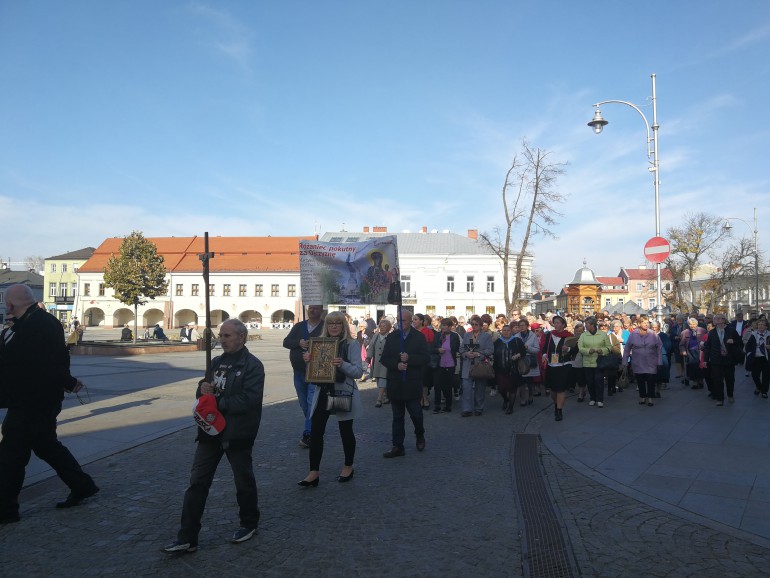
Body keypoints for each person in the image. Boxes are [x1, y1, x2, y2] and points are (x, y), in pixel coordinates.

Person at [0, 284, 99, 524]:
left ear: (11, 304)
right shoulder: (29, 322)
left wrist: (69, 382)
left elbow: (47, 362)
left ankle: (6, 510)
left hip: (33, 400)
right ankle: (82, 485)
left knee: (11, 454)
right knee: (45, 445)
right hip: (33, 398)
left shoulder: (38, 324)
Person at [163, 319, 264, 553]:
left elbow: (250, 400)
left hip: (238, 433)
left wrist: (217, 401)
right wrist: (202, 389)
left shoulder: (252, 365)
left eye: (227, 335)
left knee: (243, 481)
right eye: (221, 335)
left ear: (241, 337)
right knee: (197, 482)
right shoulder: (216, 361)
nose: (222, 339)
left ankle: (249, 523)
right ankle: (188, 537)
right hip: (210, 432)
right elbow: (204, 389)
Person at [297, 311, 363, 487]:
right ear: (326, 325)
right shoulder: (318, 344)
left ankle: (348, 466)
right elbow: (316, 370)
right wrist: (309, 360)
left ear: (343, 326)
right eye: (330, 323)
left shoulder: (351, 344)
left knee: (345, 431)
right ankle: (313, 472)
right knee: (316, 432)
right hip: (323, 391)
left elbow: (358, 372)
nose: (334, 326)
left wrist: (342, 364)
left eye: (338, 323)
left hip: (342, 392)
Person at [380, 309, 429, 457]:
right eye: (399, 320)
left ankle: (419, 434)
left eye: (405, 321)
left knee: (416, 414)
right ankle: (397, 445)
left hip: (412, 382)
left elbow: (425, 358)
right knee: (397, 417)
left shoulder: (419, 337)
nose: (401, 324)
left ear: (410, 321)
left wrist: (410, 358)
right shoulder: (392, 337)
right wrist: (397, 364)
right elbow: (384, 358)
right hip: (396, 383)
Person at [282, 304, 324, 448]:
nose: (312, 310)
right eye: (310, 308)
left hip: (315, 372)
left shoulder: (324, 327)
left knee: (312, 402)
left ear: (321, 310)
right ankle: (313, 425)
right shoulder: (299, 326)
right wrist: (298, 343)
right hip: (299, 371)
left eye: (316, 308)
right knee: (304, 403)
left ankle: (309, 433)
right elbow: (286, 342)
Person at [459, 315, 495, 417]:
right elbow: (461, 349)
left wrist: (478, 354)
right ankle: (467, 409)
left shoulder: (486, 336)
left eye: (476, 324)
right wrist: (466, 354)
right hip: (467, 365)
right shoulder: (466, 335)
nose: (474, 326)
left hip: (480, 365)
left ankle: (479, 408)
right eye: (472, 324)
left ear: (480, 325)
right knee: (466, 388)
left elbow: (490, 350)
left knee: (480, 388)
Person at [703, 314, 741, 406]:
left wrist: (734, 342)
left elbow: (740, 343)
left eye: (718, 318)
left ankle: (730, 394)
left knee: (730, 379)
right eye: (715, 318)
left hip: (729, 359)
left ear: (724, 320)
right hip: (716, 360)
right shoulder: (712, 333)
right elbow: (708, 347)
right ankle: (720, 398)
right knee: (717, 379)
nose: (716, 320)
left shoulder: (731, 331)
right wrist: (705, 360)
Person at [624, 318, 662, 407]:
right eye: (644, 323)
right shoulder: (633, 334)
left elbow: (659, 348)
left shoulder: (653, 334)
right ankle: (642, 396)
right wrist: (625, 361)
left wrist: (659, 361)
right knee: (640, 380)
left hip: (651, 361)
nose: (646, 324)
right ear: (639, 324)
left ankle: (650, 398)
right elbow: (627, 348)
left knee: (650, 379)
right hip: (638, 361)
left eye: (647, 323)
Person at [541, 315, 573, 421]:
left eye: (558, 323)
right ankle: (556, 404)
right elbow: (545, 348)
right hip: (551, 364)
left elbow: (575, 350)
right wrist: (544, 356)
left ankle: (559, 411)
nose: (556, 324)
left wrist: (568, 349)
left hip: (564, 365)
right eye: (555, 323)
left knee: (561, 389)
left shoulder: (569, 336)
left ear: (563, 324)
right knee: (553, 390)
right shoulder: (549, 334)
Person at [578, 316, 613, 408]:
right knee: (590, 382)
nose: (585, 326)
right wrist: (588, 351)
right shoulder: (583, 335)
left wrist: (602, 350)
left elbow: (609, 347)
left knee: (599, 381)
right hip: (587, 362)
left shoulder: (602, 334)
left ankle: (600, 399)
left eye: (587, 324)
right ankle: (592, 398)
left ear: (593, 325)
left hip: (599, 362)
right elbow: (580, 348)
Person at [492, 322, 526, 415]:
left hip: (513, 369)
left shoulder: (516, 340)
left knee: (512, 389)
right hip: (500, 369)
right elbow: (493, 353)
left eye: (508, 330)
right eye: (504, 330)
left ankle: (510, 407)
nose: (506, 332)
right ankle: (506, 400)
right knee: (501, 389)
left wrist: (518, 355)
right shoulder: (497, 342)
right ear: (501, 331)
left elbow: (523, 351)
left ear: (511, 331)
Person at [432, 317, 461, 413]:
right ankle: (437, 405)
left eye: (445, 325)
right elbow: (432, 348)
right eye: (442, 325)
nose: (443, 327)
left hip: (450, 363)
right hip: (439, 363)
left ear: (450, 327)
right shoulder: (437, 335)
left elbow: (456, 348)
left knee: (447, 385)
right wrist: (438, 350)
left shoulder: (454, 336)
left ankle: (448, 405)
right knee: (437, 384)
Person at [367, 318, 392, 407]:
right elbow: (371, 347)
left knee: (383, 378)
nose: (381, 328)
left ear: (388, 328)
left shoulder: (391, 336)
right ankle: (386, 395)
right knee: (378, 378)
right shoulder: (376, 336)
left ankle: (379, 399)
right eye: (380, 326)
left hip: (386, 362)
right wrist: (369, 357)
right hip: (377, 362)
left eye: (384, 326)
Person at [745, 319, 769, 398]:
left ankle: (764, 391)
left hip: (766, 358)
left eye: (762, 324)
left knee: (766, 376)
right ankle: (759, 387)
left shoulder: (769, 334)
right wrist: (749, 354)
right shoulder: (754, 334)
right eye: (759, 325)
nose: (760, 326)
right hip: (756, 358)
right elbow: (748, 346)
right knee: (755, 375)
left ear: (766, 326)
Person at [680, 318, 706, 389]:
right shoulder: (684, 332)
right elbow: (681, 344)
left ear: (697, 324)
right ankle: (694, 382)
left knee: (700, 366)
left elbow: (706, 340)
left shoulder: (703, 330)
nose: (692, 325)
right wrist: (683, 351)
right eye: (690, 324)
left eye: (694, 324)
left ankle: (700, 380)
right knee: (692, 367)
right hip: (690, 352)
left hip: (700, 351)